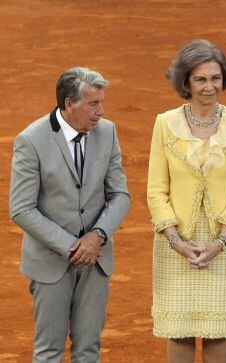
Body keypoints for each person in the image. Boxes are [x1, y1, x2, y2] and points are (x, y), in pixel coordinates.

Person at [9, 67, 130, 362]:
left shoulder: (107, 132)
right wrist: (73, 246)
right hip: (51, 262)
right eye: (93, 104)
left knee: (88, 350)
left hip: (96, 261)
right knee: (48, 352)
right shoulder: (31, 140)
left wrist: (97, 236)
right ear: (68, 104)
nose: (101, 111)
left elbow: (120, 195)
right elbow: (21, 208)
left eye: (101, 102)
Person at [147, 39, 226, 363]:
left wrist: (219, 243)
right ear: (186, 82)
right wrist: (176, 241)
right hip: (175, 245)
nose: (210, 87)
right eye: (201, 79)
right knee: (178, 331)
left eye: (215, 78)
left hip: (225, 245)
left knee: (218, 332)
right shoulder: (165, 124)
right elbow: (156, 190)